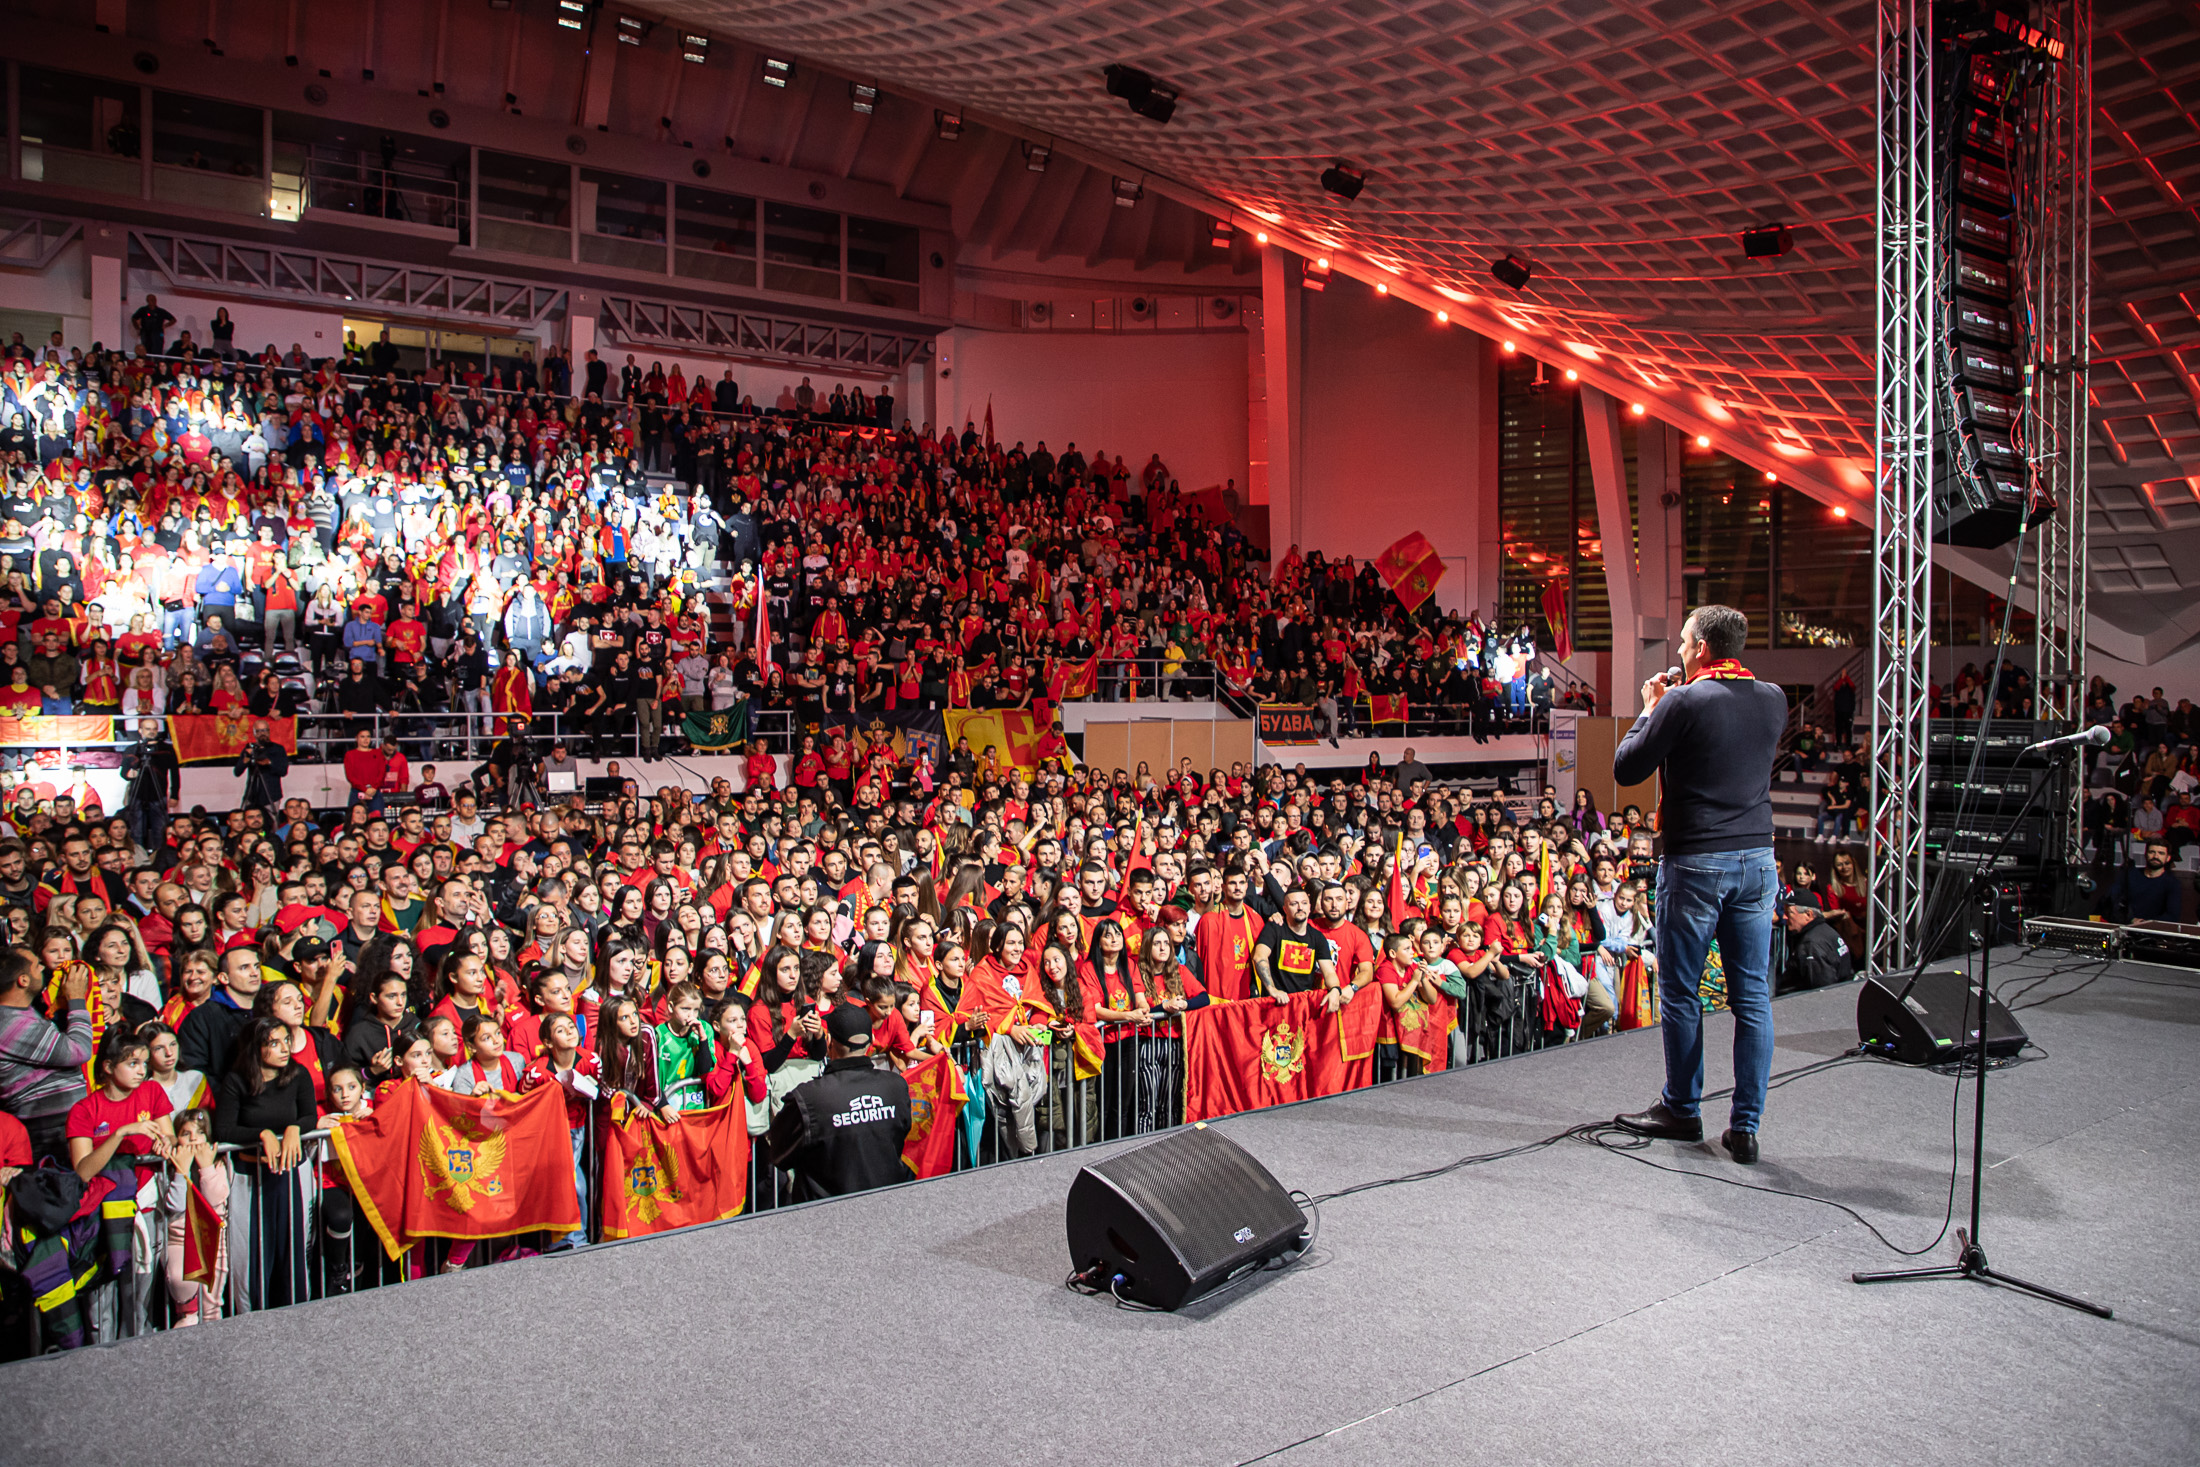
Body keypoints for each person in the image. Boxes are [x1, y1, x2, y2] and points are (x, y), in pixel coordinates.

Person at [1609, 605, 1787, 1165]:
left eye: (1685, 643)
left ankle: (1683, 1109)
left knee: (1682, 991)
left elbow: (1627, 767)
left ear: (1704, 648)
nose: (1680, 652)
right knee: (1752, 997)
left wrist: (1649, 710)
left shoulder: (1683, 700)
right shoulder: (1774, 697)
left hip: (1698, 865)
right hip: (1759, 861)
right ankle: (1746, 1127)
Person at [764, 1003, 910, 1201]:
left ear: (829, 1040)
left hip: (826, 1216)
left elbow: (779, 1152)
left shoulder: (808, 1098)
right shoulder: (897, 1087)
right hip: (886, 1204)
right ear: (871, 1041)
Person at [1778, 891, 1851, 993]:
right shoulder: (1826, 931)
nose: (1784, 917)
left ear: (1808, 914)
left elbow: (1821, 991)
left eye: (1789, 913)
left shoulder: (1811, 944)